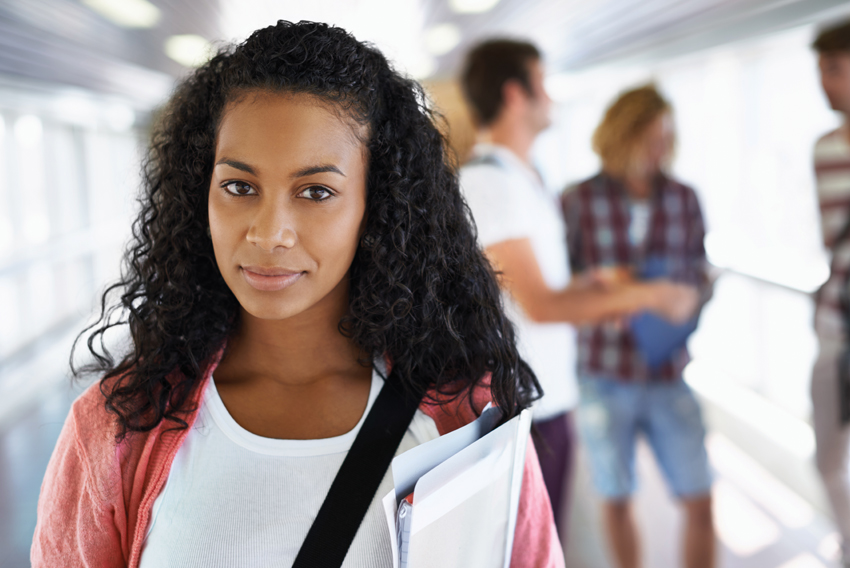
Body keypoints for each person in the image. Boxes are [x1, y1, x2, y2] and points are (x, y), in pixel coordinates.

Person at [30, 21, 564, 568]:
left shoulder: (466, 417)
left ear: (374, 208)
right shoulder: (120, 427)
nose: (268, 232)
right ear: (201, 195)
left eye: (316, 192)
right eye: (239, 187)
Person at [458, 40, 694, 538]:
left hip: (546, 399)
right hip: (525, 406)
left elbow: (539, 290)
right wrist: (651, 296)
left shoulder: (523, 177)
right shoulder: (490, 183)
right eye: (542, 83)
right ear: (515, 94)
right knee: (532, 548)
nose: (552, 96)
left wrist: (594, 285)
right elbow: (542, 306)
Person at [560, 85, 714, 568]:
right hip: (604, 373)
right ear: (620, 136)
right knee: (617, 496)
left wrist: (688, 295)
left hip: (669, 372)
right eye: (649, 139)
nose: (659, 151)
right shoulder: (578, 200)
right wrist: (606, 285)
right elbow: (557, 286)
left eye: (665, 139)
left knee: (699, 497)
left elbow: (699, 273)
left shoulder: (685, 198)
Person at [811, 20, 850, 568]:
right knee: (826, 456)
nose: (825, 81)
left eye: (835, 69)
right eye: (821, 69)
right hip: (834, 326)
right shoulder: (824, 150)